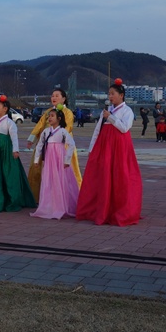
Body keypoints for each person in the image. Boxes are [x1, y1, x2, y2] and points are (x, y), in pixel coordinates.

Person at [76, 79, 142, 226]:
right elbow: (97, 130)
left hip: (119, 148)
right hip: (104, 146)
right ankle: (101, 208)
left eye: (113, 94)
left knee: (120, 176)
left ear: (121, 95)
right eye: (109, 94)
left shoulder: (127, 111)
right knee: (102, 176)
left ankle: (118, 210)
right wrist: (92, 148)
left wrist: (110, 118)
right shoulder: (107, 111)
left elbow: (124, 128)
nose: (110, 96)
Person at [0, 96, 37, 213]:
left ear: (5, 109)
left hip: (6, 151)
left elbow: (14, 137)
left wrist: (15, 150)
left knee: (8, 174)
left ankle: (11, 199)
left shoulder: (9, 123)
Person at [26, 89, 82, 200]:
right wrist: (31, 139)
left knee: (66, 171)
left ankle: (70, 197)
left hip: (62, 145)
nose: (54, 98)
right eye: (52, 96)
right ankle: (38, 196)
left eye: (57, 95)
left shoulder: (68, 112)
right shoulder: (48, 112)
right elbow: (39, 125)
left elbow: (68, 127)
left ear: (64, 99)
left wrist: (57, 137)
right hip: (46, 144)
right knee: (38, 168)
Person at [31, 109, 79, 220]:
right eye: (49, 116)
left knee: (61, 181)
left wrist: (67, 160)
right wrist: (36, 160)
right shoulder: (46, 131)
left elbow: (71, 144)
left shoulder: (62, 131)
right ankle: (49, 206)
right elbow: (39, 145)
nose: (50, 118)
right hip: (49, 160)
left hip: (59, 159)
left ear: (59, 119)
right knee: (49, 180)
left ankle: (62, 206)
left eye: (52, 116)